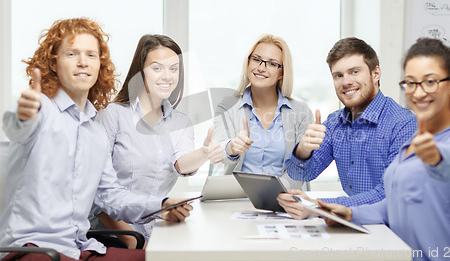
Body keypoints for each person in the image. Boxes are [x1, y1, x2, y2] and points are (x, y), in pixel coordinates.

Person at [0, 18, 192, 261]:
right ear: (54, 62)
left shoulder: (95, 130)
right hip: (32, 250)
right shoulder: (42, 109)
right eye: (72, 53)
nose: (83, 62)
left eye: (91, 55)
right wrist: (24, 114)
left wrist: (161, 204)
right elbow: (17, 126)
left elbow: (111, 196)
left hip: (78, 247)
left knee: (162, 258)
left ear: (100, 65)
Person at [318, 38, 450, 261]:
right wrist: (351, 213)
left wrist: (437, 157)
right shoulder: (410, 145)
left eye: (430, 82)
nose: (418, 93)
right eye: (411, 82)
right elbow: (396, 204)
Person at [90, 34, 223, 246]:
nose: (167, 76)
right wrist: (134, 241)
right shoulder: (113, 115)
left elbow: (181, 163)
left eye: (174, 68)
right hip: (115, 236)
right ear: (140, 71)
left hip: (159, 231)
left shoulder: (181, 121)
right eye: (157, 68)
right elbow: (96, 192)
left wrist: (204, 153)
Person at [277, 37, 418, 219]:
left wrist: (318, 207)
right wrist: (304, 149)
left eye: (354, 72)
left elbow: (388, 193)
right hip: (354, 223)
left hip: (394, 227)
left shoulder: (404, 124)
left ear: (375, 74)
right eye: (339, 75)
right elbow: (301, 173)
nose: (346, 82)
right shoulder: (335, 122)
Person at [210, 34, 313, 189]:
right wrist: (232, 147)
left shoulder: (301, 112)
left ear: (282, 73)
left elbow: (302, 166)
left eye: (272, 63)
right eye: (256, 59)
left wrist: (277, 193)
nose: (261, 67)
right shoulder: (228, 106)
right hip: (236, 199)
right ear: (248, 62)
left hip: (283, 200)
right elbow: (218, 153)